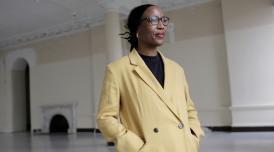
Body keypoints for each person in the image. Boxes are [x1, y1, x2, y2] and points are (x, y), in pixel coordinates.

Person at [96, 4, 204, 152]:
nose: (161, 26)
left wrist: (193, 136)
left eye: (164, 20)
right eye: (153, 20)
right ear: (137, 29)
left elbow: (190, 110)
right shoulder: (118, 70)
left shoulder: (177, 69)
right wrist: (136, 147)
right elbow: (105, 118)